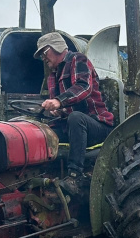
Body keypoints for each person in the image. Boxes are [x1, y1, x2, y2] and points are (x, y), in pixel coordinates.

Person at [34, 32, 114, 196]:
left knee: (76, 118)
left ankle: (75, 176)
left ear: (55, 48)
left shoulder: (78, 60)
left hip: (97, 125)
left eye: (44, 52)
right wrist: (58, 110)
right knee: (42, 132)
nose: (43, 58)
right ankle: (40, 176)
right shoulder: (52, 77)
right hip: (72, 127)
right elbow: (65, 110)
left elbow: (84, 87)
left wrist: (59, 101)